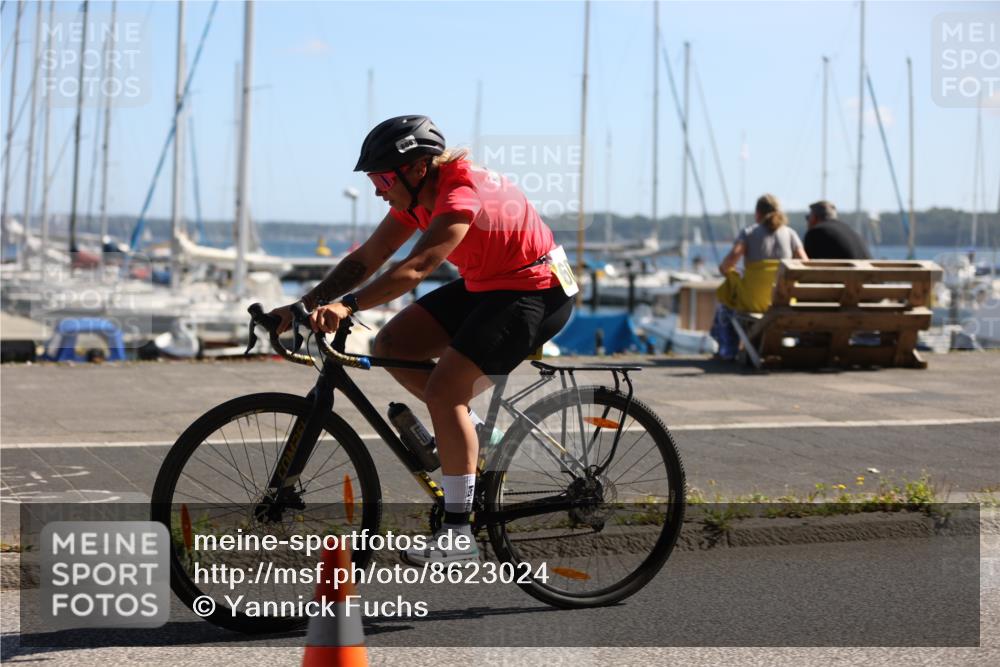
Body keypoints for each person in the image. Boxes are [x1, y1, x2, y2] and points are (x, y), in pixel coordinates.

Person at [269, 115, 575, 564]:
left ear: (417, 168)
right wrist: (302, 305)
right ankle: (475, 435)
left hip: (537, 291)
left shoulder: (459, 192)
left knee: (444, 393)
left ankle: (459, 536)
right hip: (489, 285)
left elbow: (417, 268)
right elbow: (368, 257)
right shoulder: (414, 197)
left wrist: (349, 306)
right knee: (392, 345)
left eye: (382, 179)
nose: (378, 190)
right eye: (373, 180)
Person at [710, 194, 808, 360]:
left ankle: (728, 350)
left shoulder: (749, 232)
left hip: (753, 301)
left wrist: (728, 272)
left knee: (725, 304)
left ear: (757, 213)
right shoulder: (790, 234)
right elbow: (805, 264)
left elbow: (730, 260)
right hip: (783, 301)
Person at [802, 200, 871, 259]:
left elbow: (808, 263)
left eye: (808, 217)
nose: (807, 221)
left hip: (844, 271)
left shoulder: (815, 233)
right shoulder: (851, 231)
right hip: (868, 270)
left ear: (814, 217)